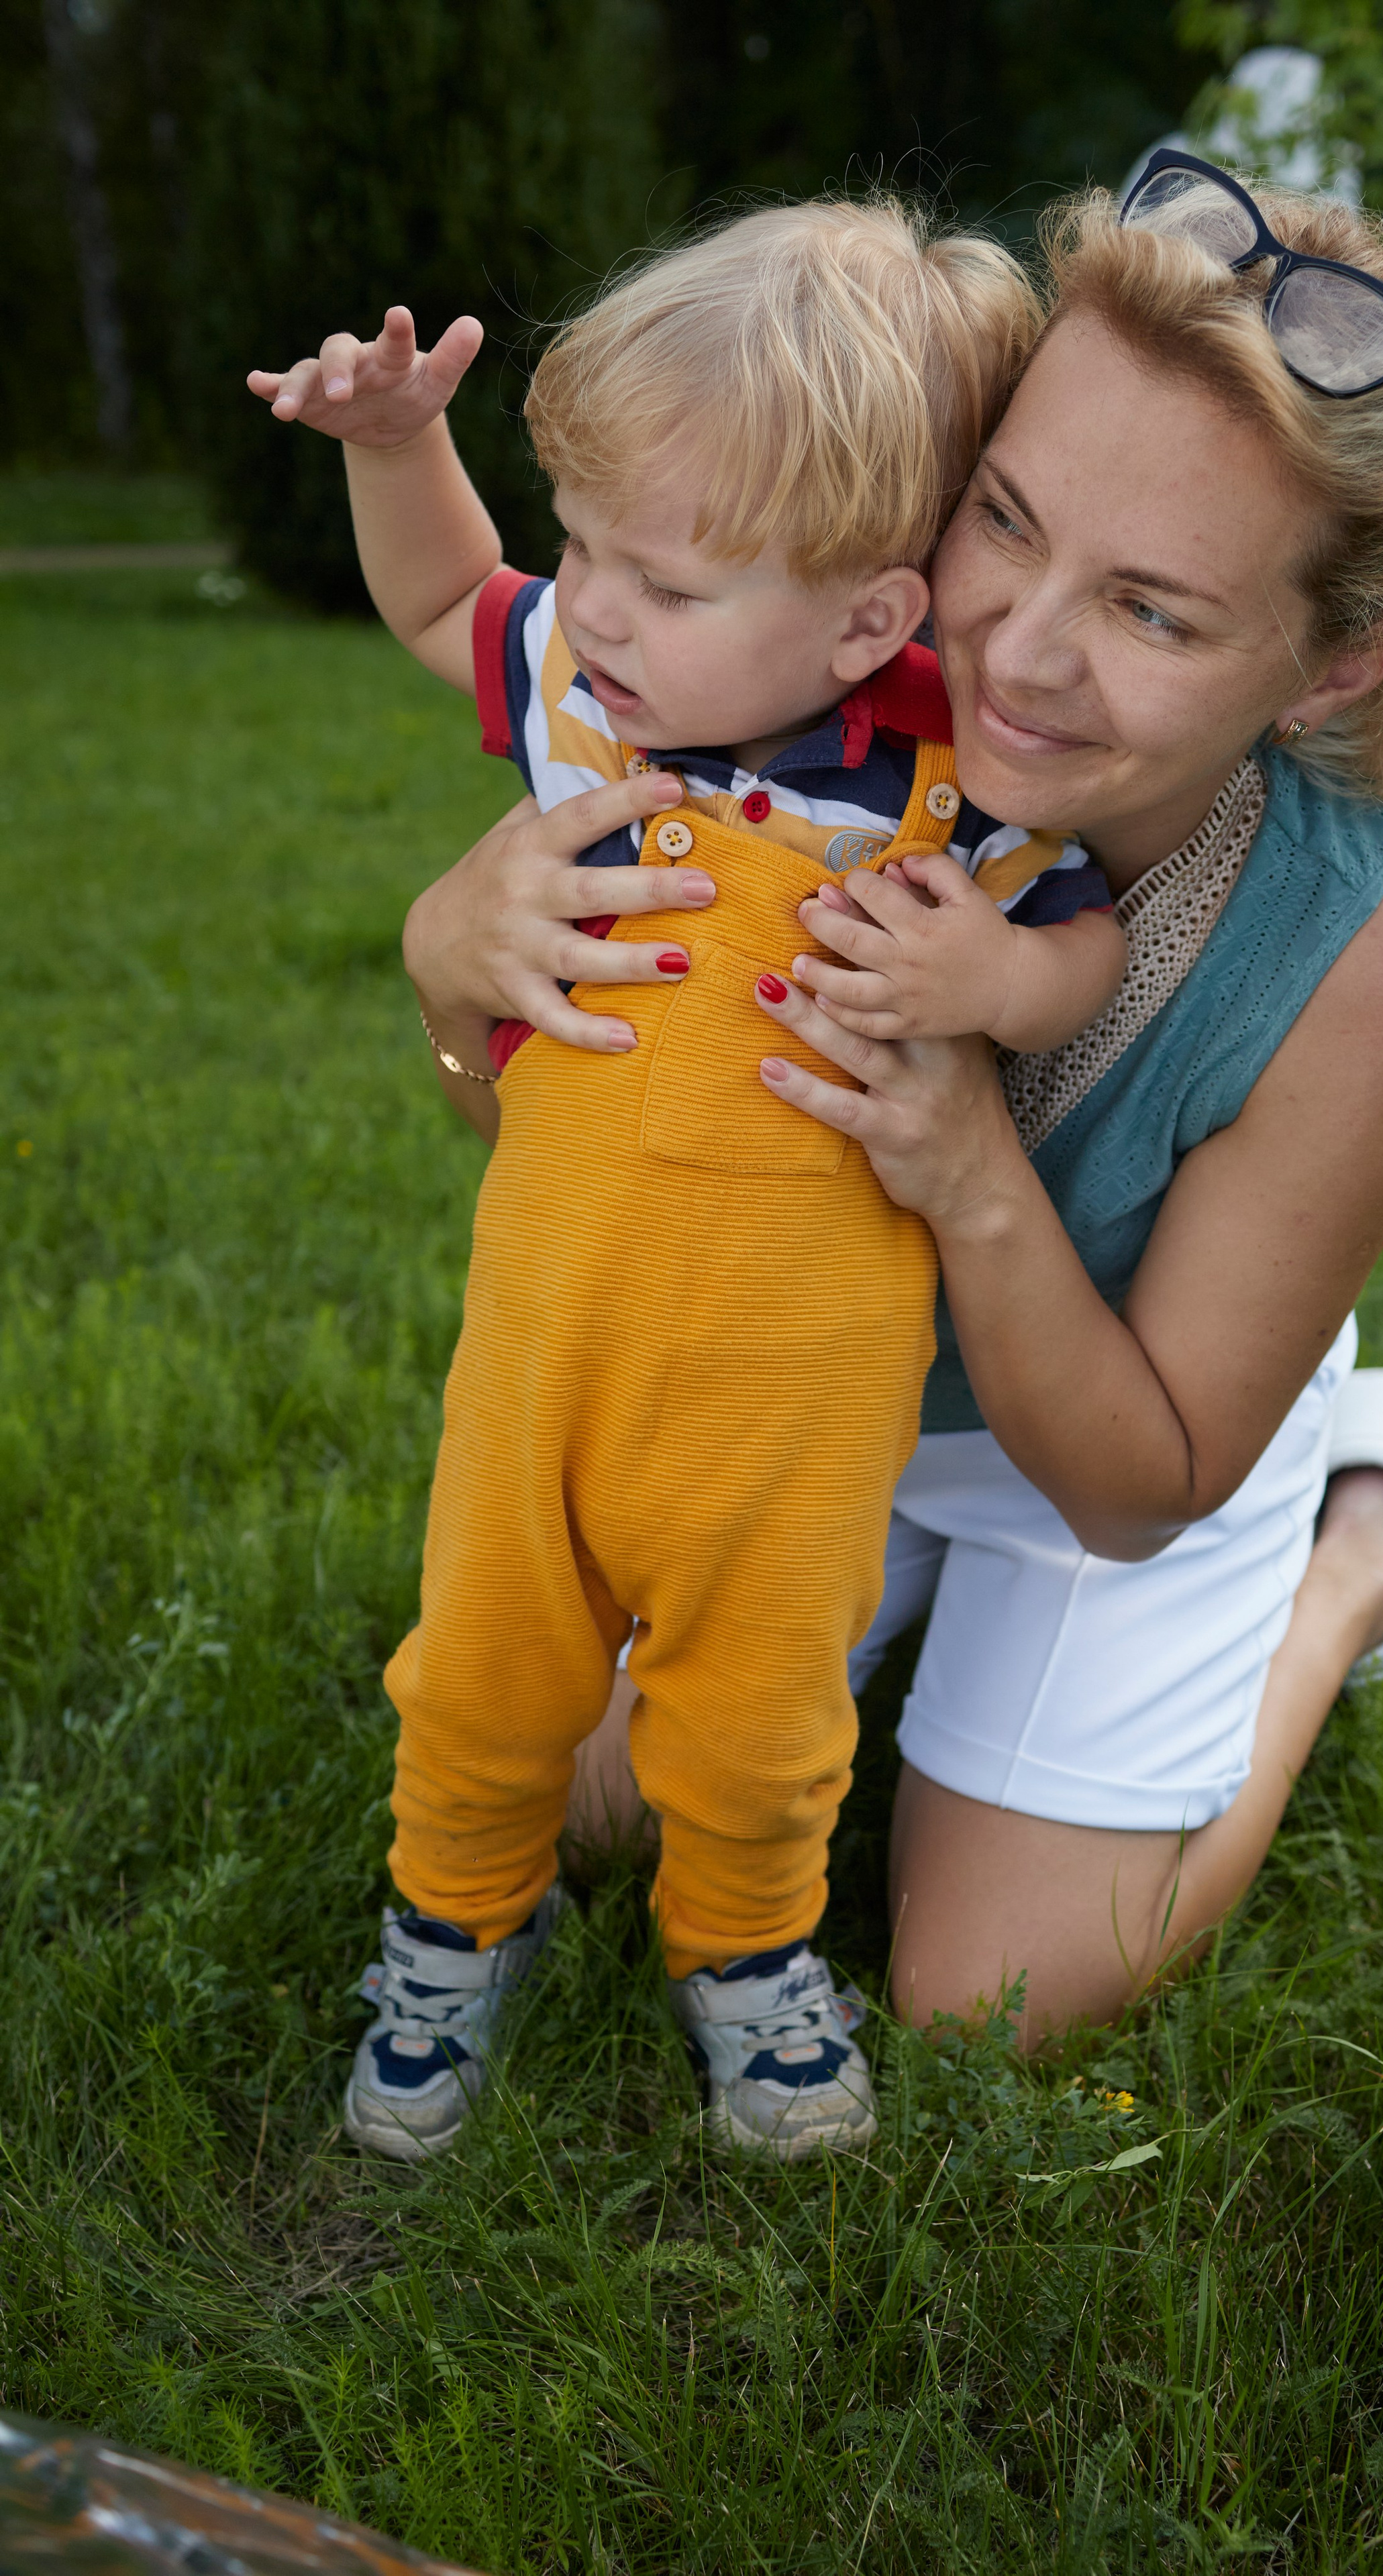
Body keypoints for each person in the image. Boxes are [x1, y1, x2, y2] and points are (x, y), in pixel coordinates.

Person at [403, 157, 1383, 2059]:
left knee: (990, 2003)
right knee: (572, 1796)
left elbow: (1137, 1484)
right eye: (1005, 523)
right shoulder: (774, 696)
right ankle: (883, 1622)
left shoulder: (1354, 953)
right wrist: (461, 986)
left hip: (1123, 1431)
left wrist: (968, 1164)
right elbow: (594, 1162)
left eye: (1154, 609)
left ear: (1338, 661)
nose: (1021, 652)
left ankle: (1369, 1537)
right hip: (797, 1388)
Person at [248, 201, 1126, 2162]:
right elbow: (440, 604)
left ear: (868, 625)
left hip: (796, 1408)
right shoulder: (589, 699)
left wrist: (990, 981)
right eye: (588, 544)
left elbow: (1077, 943)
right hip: (547, 1347)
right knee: (484, 1667)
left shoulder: (936, 800)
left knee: (761, 1711)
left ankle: (747, 1951)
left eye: (663, 573)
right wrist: (400, 453)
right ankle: (447, 1933)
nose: (601, 608)